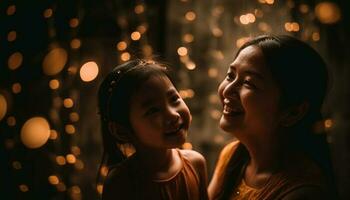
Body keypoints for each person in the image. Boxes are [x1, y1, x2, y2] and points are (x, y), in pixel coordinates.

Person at [208, 35, 336, 199]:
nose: (227, 91)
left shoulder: (302, 193)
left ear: (293, 112)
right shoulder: (232, 155)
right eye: (230, 76)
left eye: (249, 83)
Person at [97, 59, 208, 200]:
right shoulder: (121, 183)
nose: (173, 115)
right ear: (121, 131)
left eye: (174, 99)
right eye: (153, 110)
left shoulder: (196, 163)